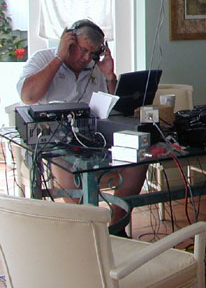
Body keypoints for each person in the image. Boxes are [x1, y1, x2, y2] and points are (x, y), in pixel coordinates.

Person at [16, 19, 147, 230]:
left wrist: (109, 76)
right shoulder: (43, 59)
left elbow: (114, 112)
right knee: (68, 167)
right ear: (68, 40)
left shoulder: (95, 68)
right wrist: (59, 57)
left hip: (94, 141)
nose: (86, 58)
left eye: (92, 54)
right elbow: (28, 96)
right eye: (82, 50)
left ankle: (116, 226)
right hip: (55, 146)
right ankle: (85, 229)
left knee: (138, 161)